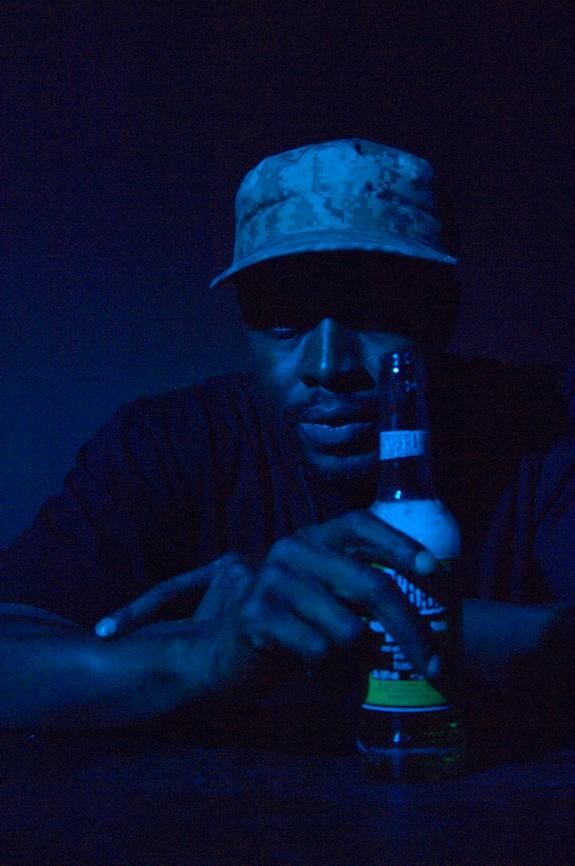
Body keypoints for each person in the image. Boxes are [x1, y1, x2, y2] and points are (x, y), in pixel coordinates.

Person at [1, 139, 574, 758]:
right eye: (282, 319)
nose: (328, 365)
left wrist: (346, 616)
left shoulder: (543, 425)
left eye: (372, 311)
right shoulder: (169, 443)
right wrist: (200, 658)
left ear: (443, 314)